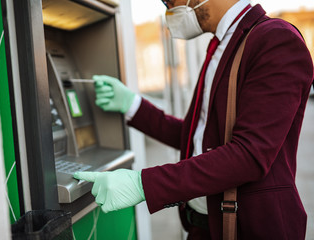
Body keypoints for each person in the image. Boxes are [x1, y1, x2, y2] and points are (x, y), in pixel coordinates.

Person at [74, 0, 314, 239]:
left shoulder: (275, 40)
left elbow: (249, 154)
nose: (167, 9)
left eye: (167, 1)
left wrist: (144, 184)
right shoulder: (222, 45)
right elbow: (200, 137)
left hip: (251, 228)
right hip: (204, 226)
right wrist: (133, 106)